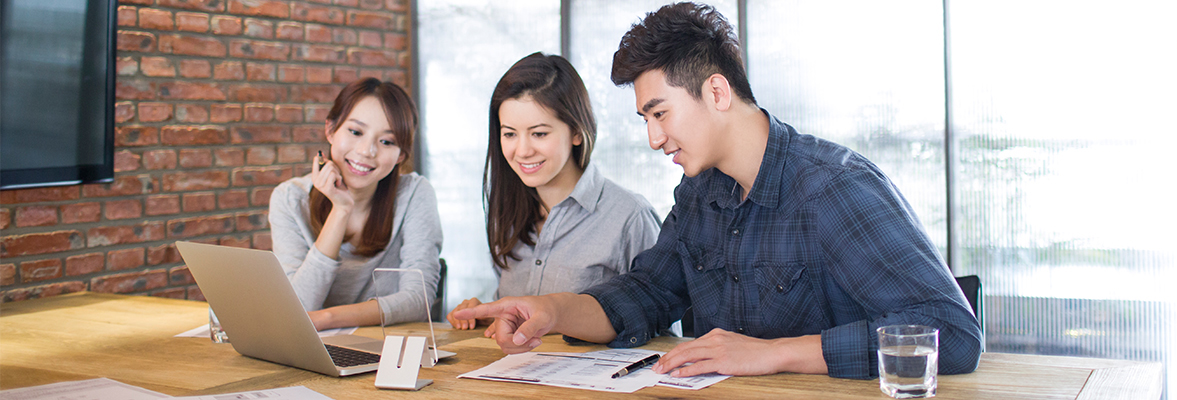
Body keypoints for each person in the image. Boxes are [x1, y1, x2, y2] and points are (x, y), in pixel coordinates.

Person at [454, 2, 982, 380]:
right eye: (645, 118)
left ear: (716, 91)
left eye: (659, 113)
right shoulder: (698, 195)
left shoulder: (835, 187)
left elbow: (950, 334)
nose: (654, 138)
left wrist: (771, 353)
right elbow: (646, 294)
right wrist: (551, 311)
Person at [447, 52, 662, 331]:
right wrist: (490, 314)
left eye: (539, 133)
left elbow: (664, 332)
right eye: (509, 134)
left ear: (576, 131)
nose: (522, 151)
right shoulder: (508, 215)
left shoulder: (629, 217)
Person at [268, 78, 443, 331]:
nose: (367, 151)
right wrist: (340, 210)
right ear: (330, 130)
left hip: (390, 351)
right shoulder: (290, 199)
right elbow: (299, 306)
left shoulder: (415, 194)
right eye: (355, 132)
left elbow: (419, 299)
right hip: (312, 353)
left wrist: (327, 318)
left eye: (386, 142)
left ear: (400, 156)